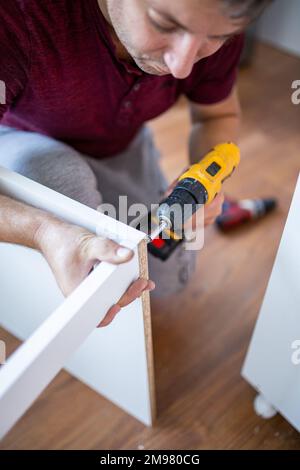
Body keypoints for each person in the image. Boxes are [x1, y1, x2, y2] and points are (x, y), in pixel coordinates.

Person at [0, 0, 271, 326]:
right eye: (163, 23)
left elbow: (218, 115)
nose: (181, 66)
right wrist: (41, 229)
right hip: (19, 135)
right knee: (67, 184)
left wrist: (204, 181)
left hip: (118, 141)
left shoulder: (220, 13)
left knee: (165, 276)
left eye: (213, 38)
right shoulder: (16, 16)